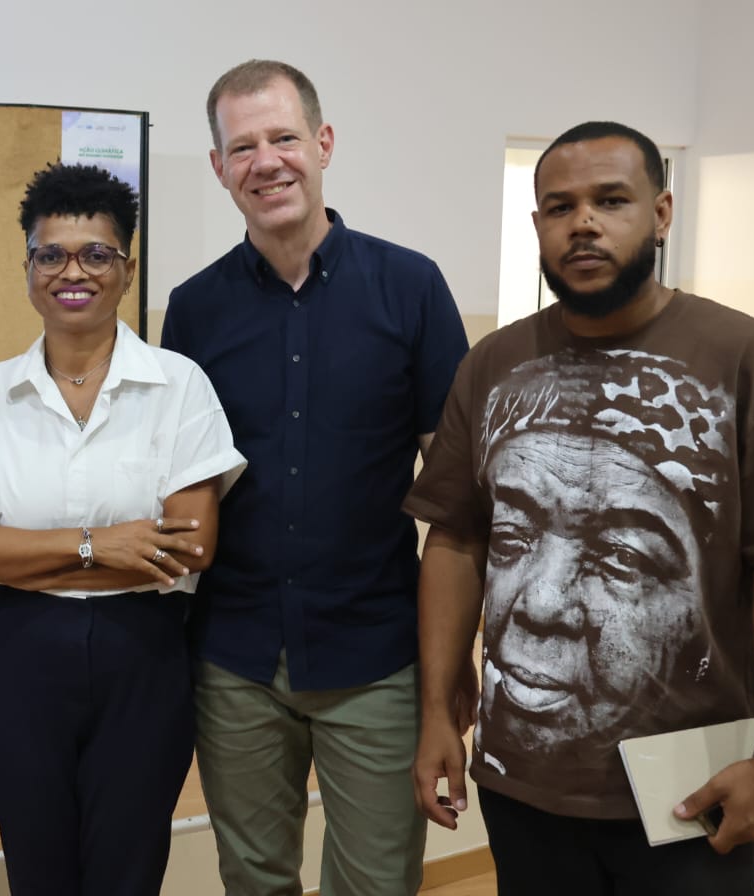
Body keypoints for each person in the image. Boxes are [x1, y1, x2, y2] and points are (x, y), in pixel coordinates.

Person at [406, 120, 754, 895]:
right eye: (559, 207)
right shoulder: (492, 366)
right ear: (537, 227)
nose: (582, 222)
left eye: (610, 200)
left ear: (661, 213)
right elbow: (455, 541)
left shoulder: (752, 362)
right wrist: (435, 712)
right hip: (522, 781)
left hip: (691, 788)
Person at [160, 60, 468, 894]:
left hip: (375, 652)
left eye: (284, 137)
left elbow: (459, 497)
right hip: (235, 659)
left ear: (323, 143)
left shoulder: (411, 288)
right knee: (254, 877)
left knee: (376, 881)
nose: (266, 161)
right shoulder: (194, 309)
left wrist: (450, 670)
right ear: (222, 168)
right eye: (243, 147)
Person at [0, 163, 245, 895]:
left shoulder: (180, 386)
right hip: (21, 659)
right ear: (29, 268)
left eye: (96, 254)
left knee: (126, 870)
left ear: (126, 270)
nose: (73, 271)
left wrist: (18, 555)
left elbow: (190, 548)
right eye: (52, 254)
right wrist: (97, 545)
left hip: (144, 655)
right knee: (38, 868)